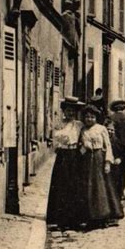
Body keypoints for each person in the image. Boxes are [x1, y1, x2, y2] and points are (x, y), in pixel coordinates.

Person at [78, 105, 124, 229]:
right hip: (87, 160)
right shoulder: (83, 130)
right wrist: (83, 148)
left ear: (96, 118)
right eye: (87, 117)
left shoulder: (101, 129)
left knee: (101, 187)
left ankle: (104, 216)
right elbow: (81, 147)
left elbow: (108, 146)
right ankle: (90, 216)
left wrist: (108, 162)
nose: (89, 119)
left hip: (99, 158)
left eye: (92, 117)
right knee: (89, 187)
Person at [46, 97, 83, 230]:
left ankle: (73, 218)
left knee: (74, 185)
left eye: (73, 111)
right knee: (61, 184)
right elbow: (56, 139)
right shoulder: (59, 124)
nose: (70, 113)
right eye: (68, 110)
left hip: (74, 155)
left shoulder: (79, 125)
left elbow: (82, 140)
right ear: (64, 111)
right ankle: (58, 217)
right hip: (63, 155)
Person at [109, 99, 125, 199]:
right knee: (123, 170)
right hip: (124, 147)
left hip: (113, 146)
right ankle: (121, 192)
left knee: (113, 169)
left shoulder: (110, 118)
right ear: (123, 108)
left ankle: (113, 191)